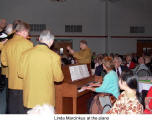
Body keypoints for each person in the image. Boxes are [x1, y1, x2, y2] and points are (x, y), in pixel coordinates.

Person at [18, 30, 64, 113]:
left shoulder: (25, 54)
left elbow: (20, 74)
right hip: (46, 99)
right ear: (52, 42)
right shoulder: (54, 56)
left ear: (39, 39)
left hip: (30, 97)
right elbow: (58, 78)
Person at [1, 21, 33, 114]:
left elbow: (4, 63)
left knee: (12, 108)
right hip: (24, 82)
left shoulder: (7, 44)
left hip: (11, 82)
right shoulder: (28, 44)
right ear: (23, 31)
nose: (28, 35)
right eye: (27, 32)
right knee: (23, 108)